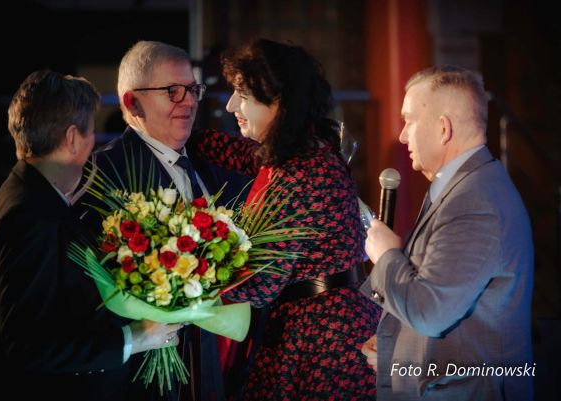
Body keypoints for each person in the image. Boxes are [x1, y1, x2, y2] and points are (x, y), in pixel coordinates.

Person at [191, 38, 380, 400]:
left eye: (242, 95)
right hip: (330, 323)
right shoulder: (303, 151)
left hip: (320, 340)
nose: (231, 105)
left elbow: (259, 284)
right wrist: (181, 136)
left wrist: (180, 277)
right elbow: (240, 153)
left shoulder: (300, 171)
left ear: (279, 101)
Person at [0, 70, 181, 401]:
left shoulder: (26, 189)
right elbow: (26, 345)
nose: (93, 144)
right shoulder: (31, 214)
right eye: (90, 132)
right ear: (72, 138)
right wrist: (134, 338)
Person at [76, 40, 250, 401]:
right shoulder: (103, 173)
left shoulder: (213, 162)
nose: (188, 102)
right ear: (132, 103)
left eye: (192, 90)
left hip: (211, 368)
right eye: (172, 91)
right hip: (142, 376)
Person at [360, 66, 534, 401]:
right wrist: (395, 350)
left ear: (443, 128)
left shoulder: (475, 201)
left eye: (409, 120)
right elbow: (445, 299)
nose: (403, 136)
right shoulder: (462, 187)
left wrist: (386, 255)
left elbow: (429, 311)